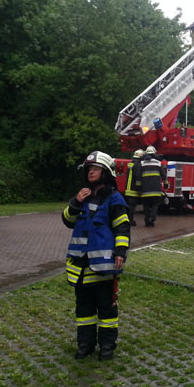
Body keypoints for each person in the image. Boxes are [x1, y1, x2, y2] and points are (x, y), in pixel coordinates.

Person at [62, 151, 131, 360]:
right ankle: (86, 344)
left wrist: (120, 251)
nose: (90, 172)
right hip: (80, 267)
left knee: (106, 310)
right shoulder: (82, 196)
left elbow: (123, 228)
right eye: (89, 169)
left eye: (95, 169)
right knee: (84, 310)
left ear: (106, 172)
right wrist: (75, 202)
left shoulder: (114, 198)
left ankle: (107, 346)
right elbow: (67, 220)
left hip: (103, 267)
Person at [140, 145, 167, 227]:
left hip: (145, 190)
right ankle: (153, 217)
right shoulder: (158, 163)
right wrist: (166, 184)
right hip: (156, 189)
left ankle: (147, 221)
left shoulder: (142, 163)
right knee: (155, 205)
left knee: (146, 206)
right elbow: (163, 175)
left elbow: (138, 176)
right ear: (154, 153)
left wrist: (138, 186)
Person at [124, 149, 144, 226]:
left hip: (128, 189)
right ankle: (130, 221)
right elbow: (138, 176)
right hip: (133, 190)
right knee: (132, 207)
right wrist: (139, 188)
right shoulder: (138, 165)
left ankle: (128, 220)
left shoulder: (131, 164)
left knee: (128, 206)